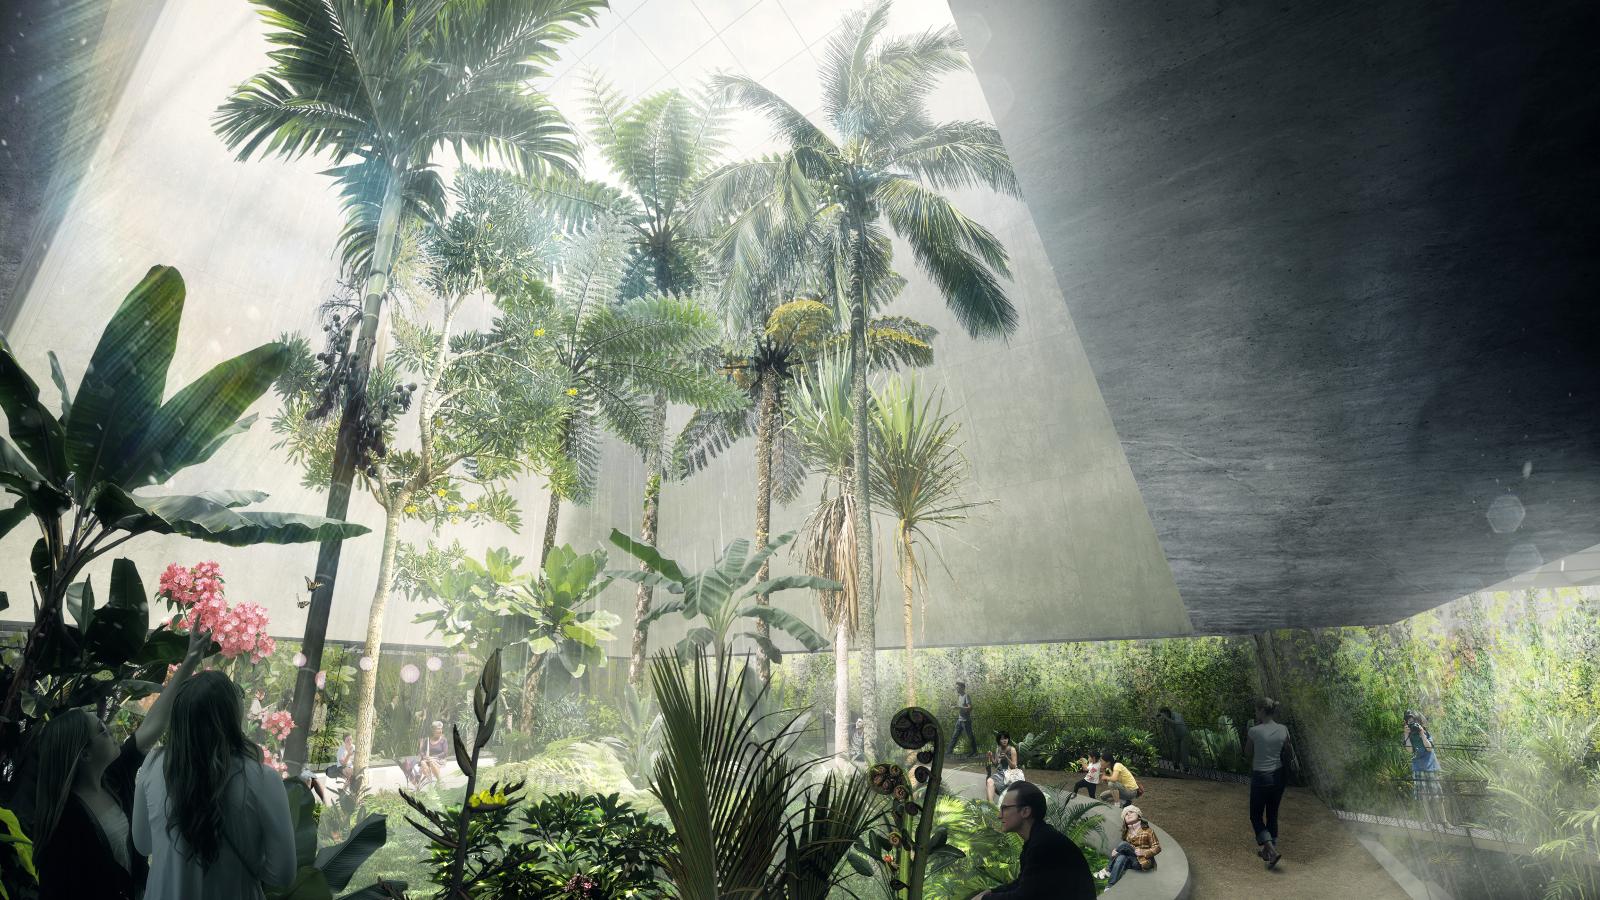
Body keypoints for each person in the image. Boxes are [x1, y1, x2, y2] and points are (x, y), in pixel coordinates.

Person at [29, 621, 211, 900]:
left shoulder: (113, 778)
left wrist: (189, 661)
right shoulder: (65, 824)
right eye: (101, 730)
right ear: (85, 754)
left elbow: (153, 725)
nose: (110, 730)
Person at [132, 669, 298, 899]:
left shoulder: (153, 764)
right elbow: (282, 874)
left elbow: (143, 844)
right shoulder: (263, 779)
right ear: (231, 715)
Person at [977, 780, 1096, 899]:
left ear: (1025, 811)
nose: (999, 815)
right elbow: (1023, 884)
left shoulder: (1044, 844)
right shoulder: (1039, 838)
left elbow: (1024, 897)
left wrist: (985, 898)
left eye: (1004, 808)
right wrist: (991, 892)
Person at [1244, 696, 1295, 868]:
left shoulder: (1254, 731)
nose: (1255, 712)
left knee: (1256, 815)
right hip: (1278, 776)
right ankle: (1267, 852)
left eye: (1256, 710)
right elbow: (1288, 751)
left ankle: (1271, 851)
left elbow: (1248, 753)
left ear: (1262, 711)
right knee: (1272, 814)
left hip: (1261, 777)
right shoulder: (1283, 729)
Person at [1103, 803, 1162, 886]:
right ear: (1125, 821)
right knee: (1121, 857)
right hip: (1132, 861)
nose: (1128, 814)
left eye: (1131, 812)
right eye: (1126, 814)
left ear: (1138, 815)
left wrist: (1143, 852)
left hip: (1144, 862)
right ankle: (1110, 886)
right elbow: (1125, 850)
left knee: (1124, 844)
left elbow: (1157, 847)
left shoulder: (1148, 831)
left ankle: (1108, 869)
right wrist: (1116, 853)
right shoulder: (1127, 833)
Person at [1405, 710, 1445, 819]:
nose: (1413, 724)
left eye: (1414, 722)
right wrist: (1406, 735)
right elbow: (1409, 750)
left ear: (1419, 722)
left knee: (1438, 796)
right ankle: (1429, 822)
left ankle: (1444, 821)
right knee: (1424, 797)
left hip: (1431, 766)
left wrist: (1422, 733)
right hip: (1418, 768)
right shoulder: (1409, 736)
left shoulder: (1426, 733)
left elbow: (1429, 748)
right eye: (1410, 722)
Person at [985, 731, 1022, 803]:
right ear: (999, 740)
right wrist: (991, 756)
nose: (1004, 740)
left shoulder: (1012, 749)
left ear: (1008, 739)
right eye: (1002, 739)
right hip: (999, 773)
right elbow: (996, 763)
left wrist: (1006, 758)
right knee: (989, 781)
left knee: (1009, 793)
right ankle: (991, 805)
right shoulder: (998, 749)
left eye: (1006, 738)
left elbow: (1014, 766)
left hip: (1010, 774)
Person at [416, 720, 450, 787]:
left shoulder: (443, 740)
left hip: (439, 760)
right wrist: (424, 756)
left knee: (431, 762)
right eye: (438, 729)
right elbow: (422, 751)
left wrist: (433, 757)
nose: (440, 731)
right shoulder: (427, 740)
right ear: (433, 730)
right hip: (428, 759)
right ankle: (430, 783)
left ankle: (440, 781)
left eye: (441, 729)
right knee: (423, 762)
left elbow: (445, 753)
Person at [1157, 706, 1191, 772]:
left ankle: (1186, 769)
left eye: (1163, 714)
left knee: (1183, 751)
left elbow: (1177, 723)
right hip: (1176, 735)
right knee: (1175, 751)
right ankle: (1176, 766)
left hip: (1184, 735)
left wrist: (1165, 718)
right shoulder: (1167, 717)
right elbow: (1165, 728)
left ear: (1167, 712)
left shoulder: (1176, 715)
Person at [949, 681, 976, 757]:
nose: (956, 689)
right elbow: (961, 708)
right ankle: (948, 752)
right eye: (956, 687)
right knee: (954, 736)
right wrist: (954, 707)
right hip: (960, 720)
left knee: (970, 736)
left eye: (958, 687)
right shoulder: (959, 696)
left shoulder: (966, 696)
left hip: (966, 721)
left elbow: (970, 708)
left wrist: (958, 707)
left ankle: (974, 752)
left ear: (963, 688)